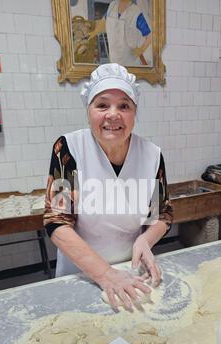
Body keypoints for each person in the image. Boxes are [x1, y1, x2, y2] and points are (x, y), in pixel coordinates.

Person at [44, 63, 172, 311]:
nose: (113, 115)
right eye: (102, 105)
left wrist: (145, 240)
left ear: (134, 113)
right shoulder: (68, 149)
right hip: (82, 274)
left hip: (131, 271)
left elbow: (162, 213)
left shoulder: (152, 155)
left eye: (124, 106)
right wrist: (104, 274)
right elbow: (56, 222)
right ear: (89, 110)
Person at [88, 0, 152, 66]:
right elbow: (104, 21)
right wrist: (94, 32)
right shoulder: (113, 6)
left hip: (129, 62)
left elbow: (150, 36)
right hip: (113, 58)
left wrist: (141, 50)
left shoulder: (135, 12)